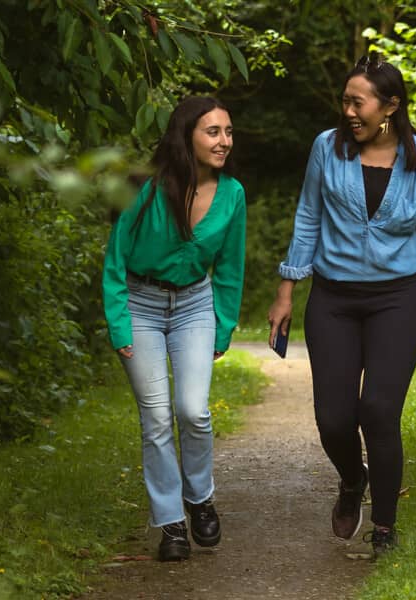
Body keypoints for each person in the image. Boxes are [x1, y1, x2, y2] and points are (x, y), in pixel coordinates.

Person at [266, 54, 416, 559]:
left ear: (390, 106)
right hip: (335, 299)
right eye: (345, 101)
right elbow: (308, 216)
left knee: (379, 412)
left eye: (356, 102)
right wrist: (286, 288)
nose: (348, 112)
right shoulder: (327, 148)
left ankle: (384, 526)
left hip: (399, 300)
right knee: (334, 421)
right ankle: (351, 479)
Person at [102, 96, 246, 562]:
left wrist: (223, 327)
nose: (224, 141)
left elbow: (230, 267)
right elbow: (115, 260)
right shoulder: (144, 188)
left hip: (195, 306)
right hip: (141, 306)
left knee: (193, 411)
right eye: (213, 132)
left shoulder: (233, 194)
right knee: (157, 419)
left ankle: (200, 496)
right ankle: (170, 524)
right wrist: (119, 324)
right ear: (187, 137)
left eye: (227, 132)